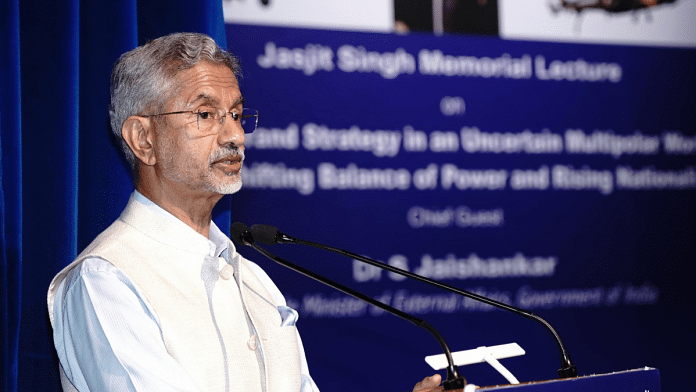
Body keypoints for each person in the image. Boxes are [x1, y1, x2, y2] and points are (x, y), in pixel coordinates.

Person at [47, 32, 442, 392]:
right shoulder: (106, 280)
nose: (235, 135)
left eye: (236, 114)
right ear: (143, 139)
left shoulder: (255, 280)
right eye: (205, 115)